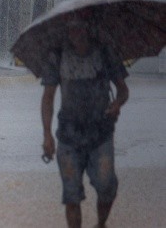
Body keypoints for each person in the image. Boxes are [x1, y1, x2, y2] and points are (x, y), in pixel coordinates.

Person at [40, 12, 129, 228]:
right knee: (71, 196)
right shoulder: (58, 55)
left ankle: (101, 224)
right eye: (71, 28)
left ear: (89, 28)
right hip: (69, 137)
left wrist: (117, 103)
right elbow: (48, 97)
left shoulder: (105, 52)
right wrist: (47, 135)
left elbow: (123, 90)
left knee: (107, 187)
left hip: (101, 135)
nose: (75, 33)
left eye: (79, 28)